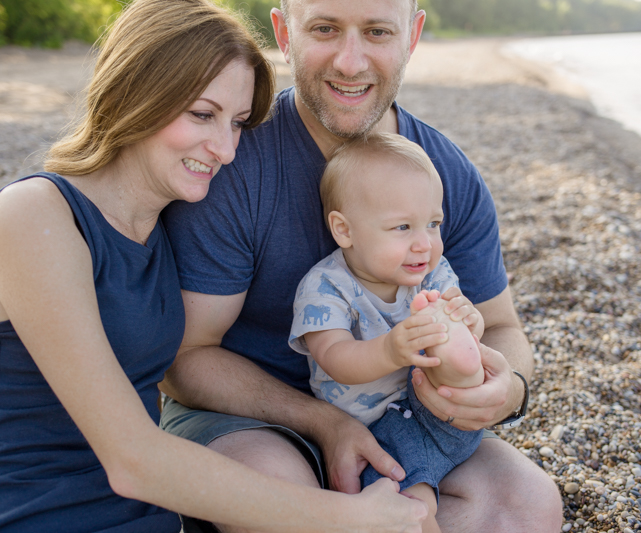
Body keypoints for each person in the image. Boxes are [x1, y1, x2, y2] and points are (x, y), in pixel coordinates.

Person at [0, 0, 428, 532]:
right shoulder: (35, 218)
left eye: (239, 123)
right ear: (135, 93)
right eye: (202, 114)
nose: (225, 149)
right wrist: (350, 519)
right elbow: (133, 459)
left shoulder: (160, 226)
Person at [159, 0, 564, 531]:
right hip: (247, 420)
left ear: (412, 36)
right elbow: (184, 360)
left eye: (377, 32)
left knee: (527, 505)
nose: (350, 62)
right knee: (284, 503)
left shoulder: (446, 175)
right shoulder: (232, 161)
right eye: (325, 29)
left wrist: (507, 387)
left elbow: (504, 325)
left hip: (404, 420)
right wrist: (323, 422)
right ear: (284, 33)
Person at [289, 132, 488, 533]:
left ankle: (463, 370)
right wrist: (391, 350)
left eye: (433, 224)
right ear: (344, 231)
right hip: (375, 432)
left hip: (436, 409)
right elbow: (334, 357)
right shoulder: (325, 287)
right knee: (410, 506)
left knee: (455, 346)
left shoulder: (431, 273)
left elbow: (471, 320)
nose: (424, 244)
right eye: (402, 227)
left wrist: (470, 322)